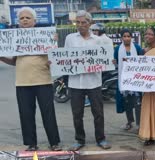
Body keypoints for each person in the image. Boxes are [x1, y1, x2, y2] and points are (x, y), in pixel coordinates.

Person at [0, 7, 61, 151]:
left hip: (44, 81)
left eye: (28, 18)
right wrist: (2, 58)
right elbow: (14, 62)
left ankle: (54, 142)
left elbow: (56, 59)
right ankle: (31, 144)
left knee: (48, 114)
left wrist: (54, 45)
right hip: (22, 82)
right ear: (18, 22)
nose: (25, 20)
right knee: (26, 115)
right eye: (21, 18)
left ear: (34, 21)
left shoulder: (46, 36)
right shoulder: (15, 40)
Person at [64, 11, 111, 151]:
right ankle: (79, 140)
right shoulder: (70, 38)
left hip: (94, 82)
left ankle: (101, 139)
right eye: (77, 22)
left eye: (83, 22)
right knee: (77, 114)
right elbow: (65, 58)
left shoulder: (98, 40)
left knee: (98, 113)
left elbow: (105, 58)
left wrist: (109, 61)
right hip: (75, 83)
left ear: (90, 23)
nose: (80, 25)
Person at [114, 28, 144, 132]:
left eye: (128, 36)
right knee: (127, 102)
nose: (126, 38)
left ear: (131, 37)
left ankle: (139, 124)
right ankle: (129, 122)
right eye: (124, 36)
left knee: (137, 103)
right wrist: (114, 62)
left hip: (136, 79)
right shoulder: (118, 49)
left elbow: (142, 61)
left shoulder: (137, 47)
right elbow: (116, 63)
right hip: (124, 79)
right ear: (121, 38)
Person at [88, 23, 114, 107]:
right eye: (93, 30)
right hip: (105, 62)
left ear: (101, 31)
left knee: (92, 79)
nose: (94, 32)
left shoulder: (101, 39)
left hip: (102, 63)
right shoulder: (105, 38)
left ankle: (89, 99)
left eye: (96, 30)